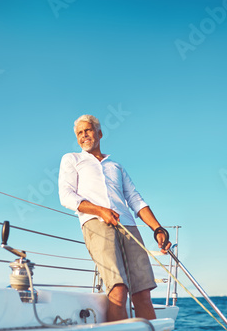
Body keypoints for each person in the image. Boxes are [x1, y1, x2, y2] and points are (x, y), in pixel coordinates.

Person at [58, 114, 171, 322]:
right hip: (96, 223)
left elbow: (135, 199)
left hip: (128, 225)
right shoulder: (72, 159)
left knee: (143, 292)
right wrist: (100, 210)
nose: (84, 135)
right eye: (80, 133)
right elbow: (66, 196)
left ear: (99, 133)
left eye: (88, 130)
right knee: (118, 289)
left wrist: (158, 229)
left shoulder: (115, 165)